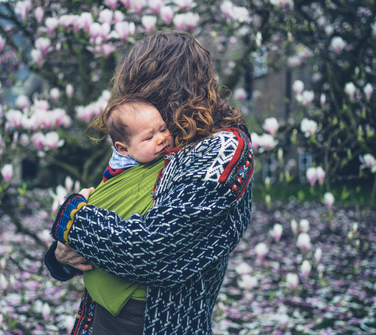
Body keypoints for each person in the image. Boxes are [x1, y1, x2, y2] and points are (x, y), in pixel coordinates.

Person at [45, 31, 254, 335]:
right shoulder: (152, 142)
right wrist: (60, 256)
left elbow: (153, 251)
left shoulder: (223, 149)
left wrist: (71, 219)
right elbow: (114, 209)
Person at [79, 99, 175, 332]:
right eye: (149, 137)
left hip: (132, 300)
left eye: (163, 129)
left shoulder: (161, 163)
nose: (161, 138)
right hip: (107, 296)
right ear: (123, 148)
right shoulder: (122, 169)